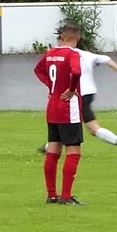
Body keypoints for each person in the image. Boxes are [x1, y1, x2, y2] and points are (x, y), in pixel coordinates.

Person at [37, 42, 117, 159]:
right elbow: (107, 59)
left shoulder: (66, 55)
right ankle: (48, 146)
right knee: (71, 124)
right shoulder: (88, 55)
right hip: (88, 94)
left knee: (92, 128)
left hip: (76, 94)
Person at [34, 23, 85, 205]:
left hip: (52, 107)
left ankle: (51, 194)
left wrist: (51, 86)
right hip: (67, 108)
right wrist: (71, 89)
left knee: (53, 150)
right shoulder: (73, 54)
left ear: (61, 37)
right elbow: (76, 72)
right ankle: (65, 196)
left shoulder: (50, 54)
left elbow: (38, 70)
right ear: (77, 38)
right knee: (73, 151)